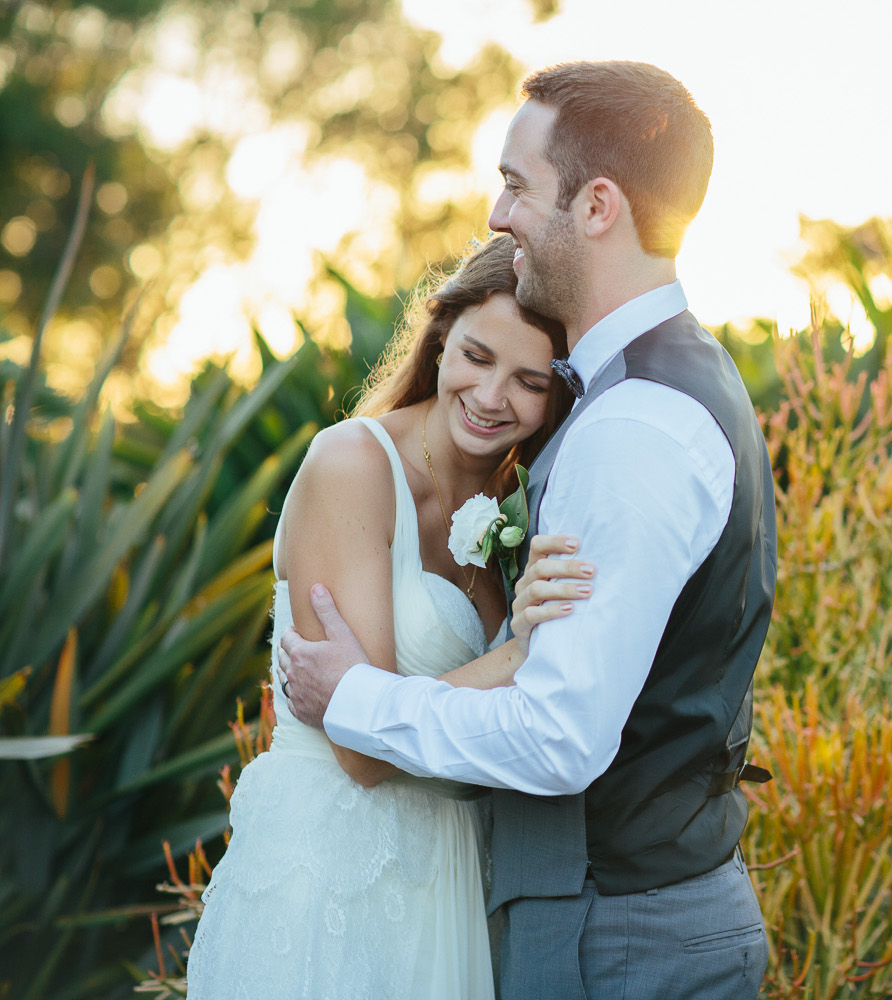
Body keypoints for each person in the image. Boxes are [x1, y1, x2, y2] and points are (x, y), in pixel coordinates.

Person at [280, 61, 776, 999]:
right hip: (598, 911)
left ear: (597, 205)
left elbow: (560, 738)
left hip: (618, 932)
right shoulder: (665, 384)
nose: (498, 216)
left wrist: (355, 696)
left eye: (516, 184)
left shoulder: (633, 425)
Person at [186, 233, 595, 999]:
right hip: (331, 880)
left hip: (451, 877)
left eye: (529, 381)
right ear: (438, 342)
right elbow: (362, 750)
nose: (492, 395)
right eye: (477, 356)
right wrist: (515, 656)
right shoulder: (352, 467)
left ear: (556, 399)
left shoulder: (525, 510)